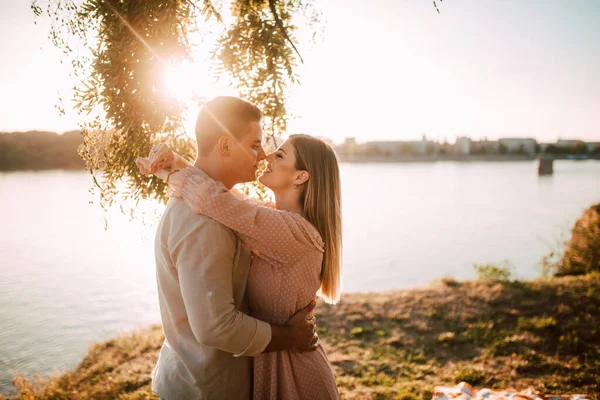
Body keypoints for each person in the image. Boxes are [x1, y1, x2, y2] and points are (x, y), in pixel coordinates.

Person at [137, 96, 319, 400]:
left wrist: (175, 168)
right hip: (206, 388)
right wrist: (291, 337)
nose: (262, 155)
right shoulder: (203, 222)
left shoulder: (219, 206)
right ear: (224, 146)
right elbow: (216, 327)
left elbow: (222, 199)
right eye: (254, 144)